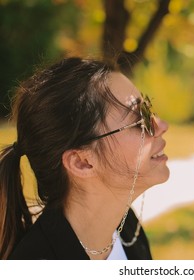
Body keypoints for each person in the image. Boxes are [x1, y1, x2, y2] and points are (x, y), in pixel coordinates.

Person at [0, 57, 169, 260]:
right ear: (82, 162)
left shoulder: (127, 230)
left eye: (147, 109)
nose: (161, 125)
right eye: (138, 120)